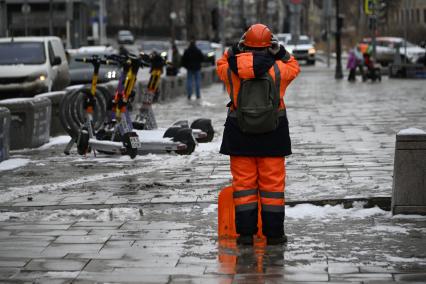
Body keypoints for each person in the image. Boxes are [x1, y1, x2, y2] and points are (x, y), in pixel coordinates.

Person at [216, 23, 300, 245]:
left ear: (246, 45)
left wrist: (235, 48)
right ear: (268, 46)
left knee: (244, 187)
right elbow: (295, 66)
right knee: (273, 188)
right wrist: (280, 51)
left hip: (239, 134)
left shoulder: (231, 69)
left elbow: (220, 63)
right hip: (273, 134)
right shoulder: (279, 70)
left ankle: (245, 236)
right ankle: (274, 235)